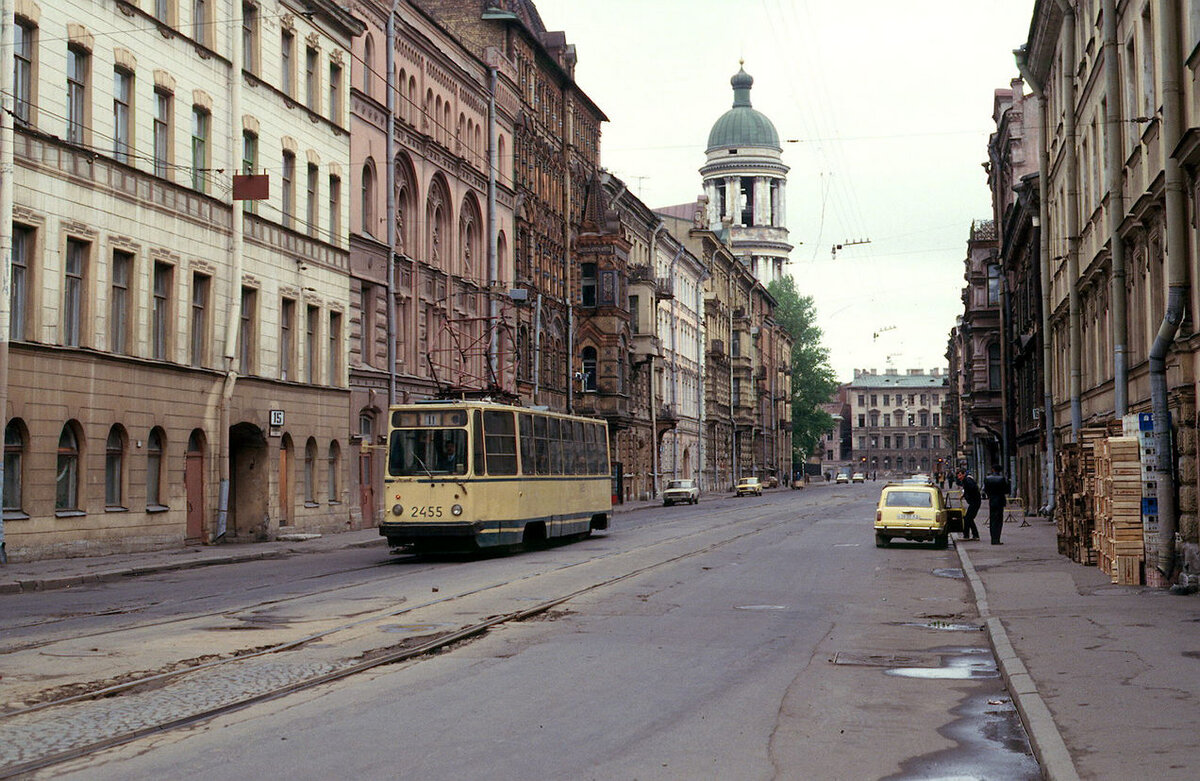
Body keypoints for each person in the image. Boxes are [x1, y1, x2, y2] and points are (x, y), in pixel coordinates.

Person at [982, 463, 1011, 545]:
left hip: (992, 501)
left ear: (992, 470)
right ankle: (997, 539)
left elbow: (985, 490)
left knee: (992, 520)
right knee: (999, 520)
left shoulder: (987, 478)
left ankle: (993, 539)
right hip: (1000, 501)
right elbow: (1006, 490)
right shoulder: (1001, 479)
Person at [956, 467, 981, 540]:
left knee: (968, 518)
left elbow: (972, 488)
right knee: (968, 519)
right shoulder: (966, 480)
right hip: (974, 502)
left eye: (960, 475)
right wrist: (964, 495)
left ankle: (969, 535)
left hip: (975, 502)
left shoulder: (967, 480)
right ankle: (972, 535)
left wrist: (967, 494)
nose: (959, 477)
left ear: (964, 474)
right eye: (958, 475)